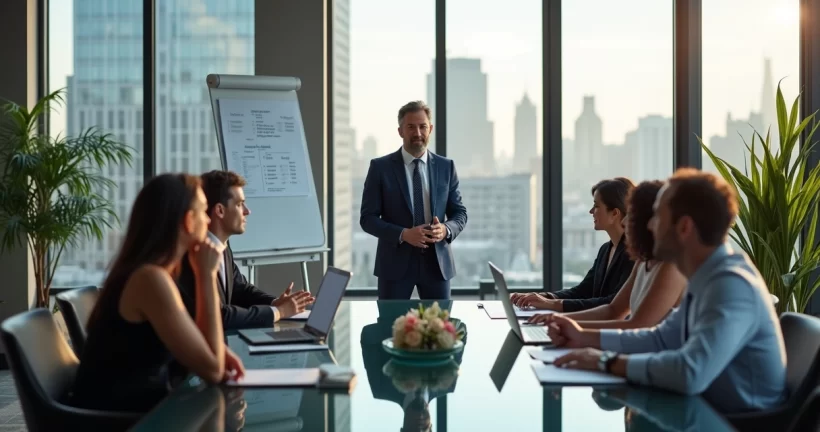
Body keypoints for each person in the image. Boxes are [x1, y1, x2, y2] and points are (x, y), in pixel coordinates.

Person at [547, 168, 787, 414]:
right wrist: (581, 336)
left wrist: (605, 361)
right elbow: (659, 338)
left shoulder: (732, 285)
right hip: (704, 412)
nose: (649, 225)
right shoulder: (706, 277)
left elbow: (689, 372)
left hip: (735, 423)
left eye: (657, 217)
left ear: (684, 227)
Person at [68, 173, 245, 413]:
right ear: (188, 221)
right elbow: (213, 370)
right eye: (204, 212)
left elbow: (197, 337)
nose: (208, 219)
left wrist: (220, 352)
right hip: (124, 422)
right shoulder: (150, 279)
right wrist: (206, 275)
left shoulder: (153, 273)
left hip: (141, 411)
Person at [527, 180, 687, 329]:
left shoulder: (669, 267)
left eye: (631, 215)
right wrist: (559, 320)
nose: (624, 222)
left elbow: (637, 327)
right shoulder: (641, 261)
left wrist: (572, 327)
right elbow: (613, 310)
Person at [177, 170, 314, 330]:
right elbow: (220, 316)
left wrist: (275, 303)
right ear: (220, 211)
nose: (247, 211)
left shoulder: (222, 248)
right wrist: (278, 311)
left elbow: (239, 289)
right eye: (239, 204)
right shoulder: (195, 255)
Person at [360, 100, 468, 300]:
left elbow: (459, 213)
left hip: (437, 265)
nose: (417, 133)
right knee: (389, 328)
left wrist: (446, 229)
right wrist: (404, 234)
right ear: (400, 131)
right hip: (394, 264)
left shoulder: (446, 167)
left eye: (422, 126)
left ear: (430, 129)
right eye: (411, 127)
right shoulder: (380, 168)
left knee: (440, 328)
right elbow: (367, 219)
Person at [512, 177, 635, 312]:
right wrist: (544, 297)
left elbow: (612, 303)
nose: (591, 211)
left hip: (613, 329)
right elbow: (583, 290)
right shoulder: (606, 249)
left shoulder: (633, 254)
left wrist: (551, 304)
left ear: (614, 213)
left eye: (596, 206)